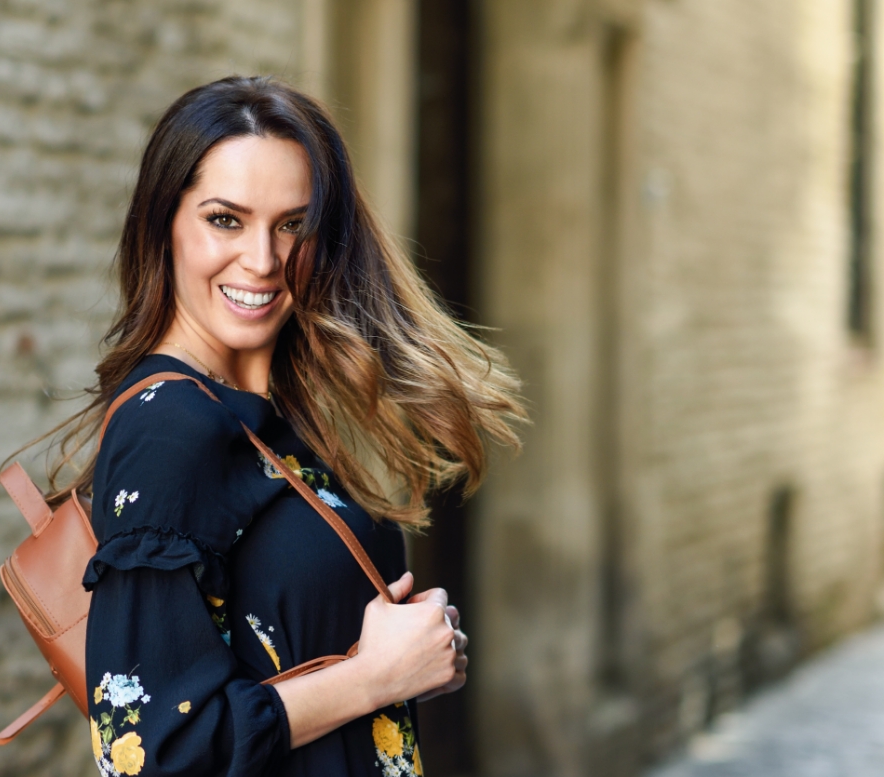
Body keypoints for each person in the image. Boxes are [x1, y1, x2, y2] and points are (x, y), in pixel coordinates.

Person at [37, 75, 525, 777]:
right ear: (163, 221)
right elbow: (148, 753)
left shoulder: (270, 416)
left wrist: (402, 654)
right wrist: (375, 677)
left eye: (292, 224)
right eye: (225, 219)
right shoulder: (170, 427)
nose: (263, 261)